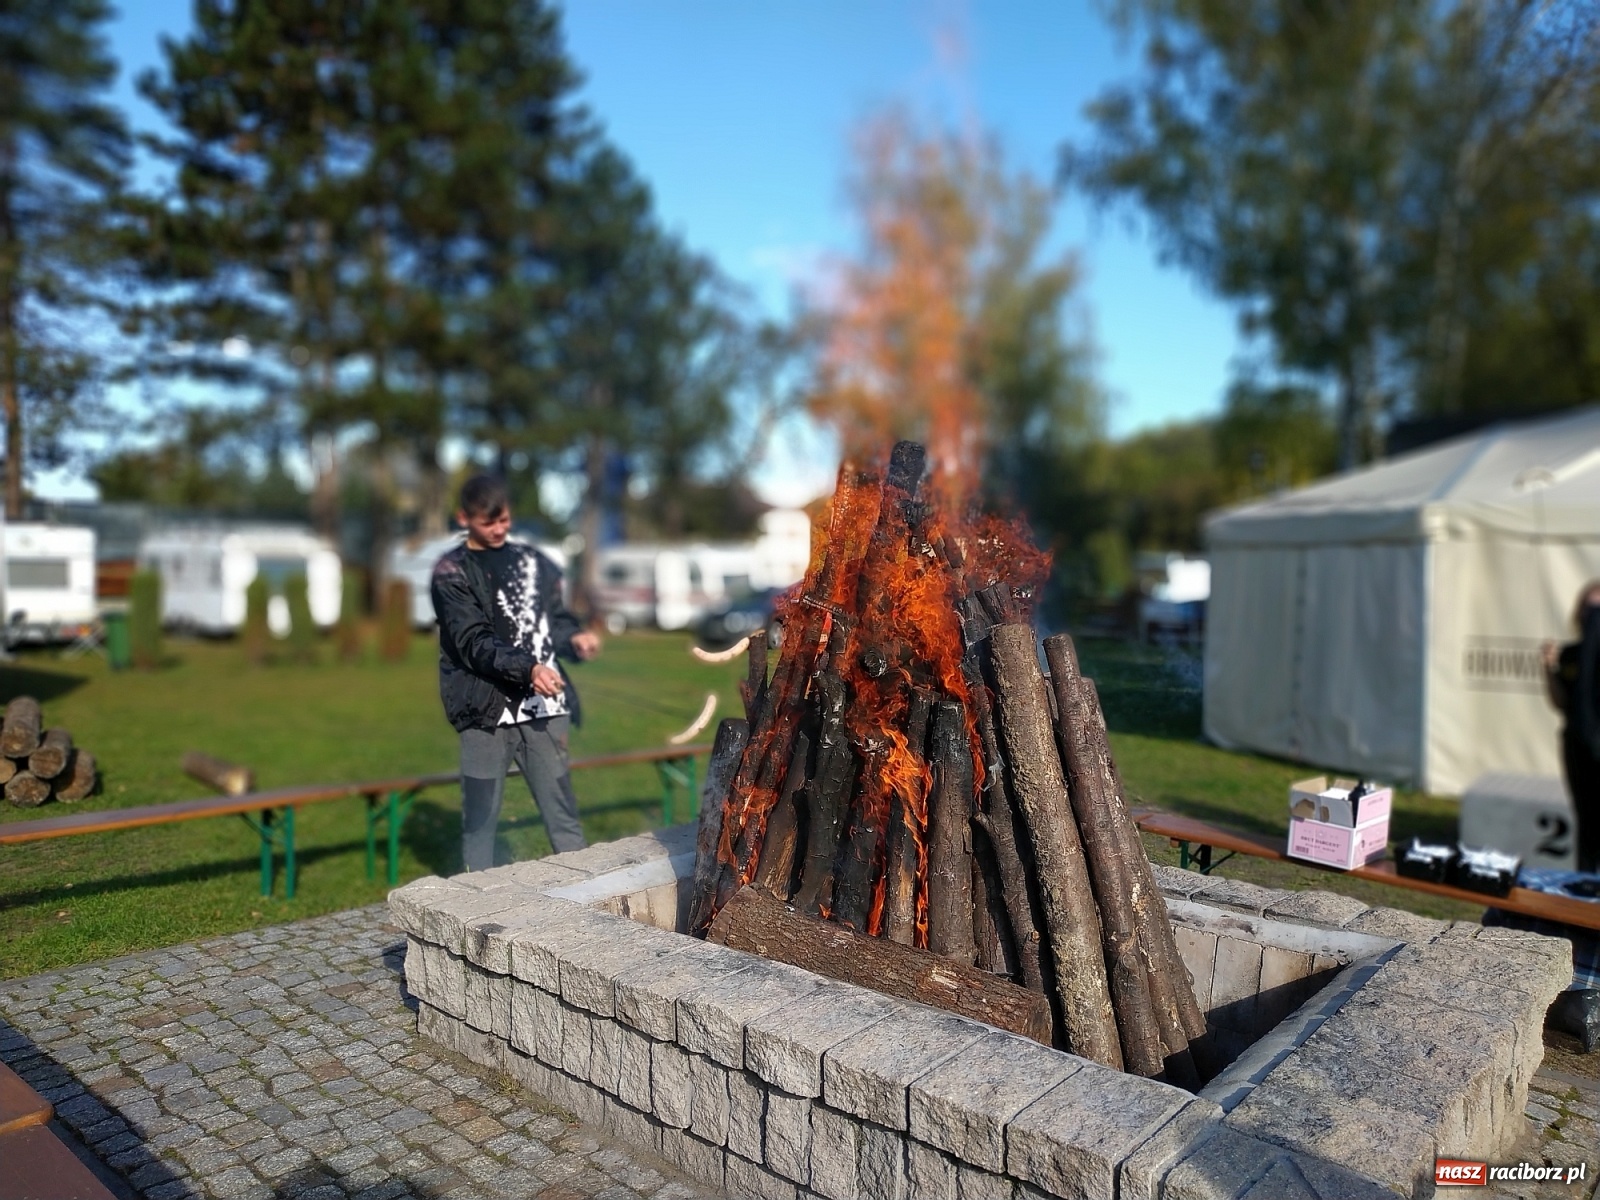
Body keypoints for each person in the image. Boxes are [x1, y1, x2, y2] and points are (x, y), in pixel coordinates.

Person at [431, 475, 601, 870]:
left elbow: (553, 620)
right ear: (464, 518)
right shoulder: (451, 572)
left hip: (546, 709)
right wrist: (528, 668)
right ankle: (478, 910)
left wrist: (574, 637)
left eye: (504, 520)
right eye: (488, 523)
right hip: (484, 711)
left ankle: (591, 900)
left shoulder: (533, 562)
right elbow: (472, 640)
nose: (499, 529)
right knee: (480, 822)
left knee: (564, 820)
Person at [1542, 580, 1600, 874]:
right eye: (1590, 608)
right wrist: (1549, 668)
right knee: (1586, 819)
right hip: (1578, 745)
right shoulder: (1572, 654)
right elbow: (1561, 701)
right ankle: (1585, 892)